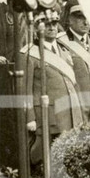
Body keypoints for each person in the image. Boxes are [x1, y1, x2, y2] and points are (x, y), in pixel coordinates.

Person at [24, 12, 83, 165]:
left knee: (68, 158)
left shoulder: (64, 50)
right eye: (46, 24)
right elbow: (25, 89)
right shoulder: (30, 53)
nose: (51, 27)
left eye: (54, 23)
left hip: (69, 113)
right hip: (48, 115)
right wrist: (30, 117)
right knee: (45, 159)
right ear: (37, 27)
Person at [58, 1, 90, 124]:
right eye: (80, 17)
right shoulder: (60, 43)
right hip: (75, 108)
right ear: (69, 19)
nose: (86, 22)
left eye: (88, 17)